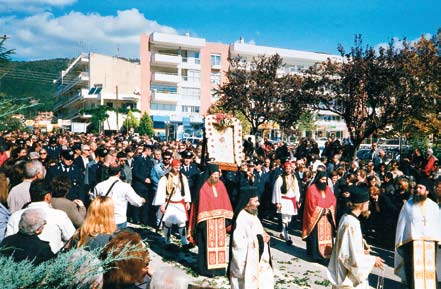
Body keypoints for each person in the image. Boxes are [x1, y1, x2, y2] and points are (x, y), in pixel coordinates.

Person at [327, 184, 384, 289]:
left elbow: (349, 246)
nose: (369, 204)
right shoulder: (351, 223)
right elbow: (348, 256)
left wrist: (362, 249)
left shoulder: (347, 217)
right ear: (362, 205)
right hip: (348, 276)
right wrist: (372, 260)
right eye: (367, 202)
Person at [6, 179, 75, 253]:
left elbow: (8, 243)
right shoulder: (59, 216)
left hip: (19, 261)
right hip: (52, 261)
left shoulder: (15, 216)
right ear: (48, 197)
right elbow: (72, 237)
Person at [394, 179, 441, 289]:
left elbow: (438, 225)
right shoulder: (408, 205)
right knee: (413, 274)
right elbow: (402, 225)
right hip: (412, 245)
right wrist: (402, 242)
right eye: (416, 188)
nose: (417, 190)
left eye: (421, 188)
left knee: (430, 272)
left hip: (430, 245)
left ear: (427, 191)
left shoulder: (434, 206)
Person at [188, 164, 234, 277]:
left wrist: (226, 219)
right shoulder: (203, 186)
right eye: (214, 175)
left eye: (218, 175)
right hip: (207, 222)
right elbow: (201, 204)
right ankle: (205, 269)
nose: (216, 177)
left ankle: (218, 270)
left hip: (219, 222)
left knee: (220, 246)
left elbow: (225, 201)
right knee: (206, 246)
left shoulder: (221, 185)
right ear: (209, 175)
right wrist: (204, 220)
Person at [228, 186, 274, 289]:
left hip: (258, 259)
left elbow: (258, 231)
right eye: (255, 201)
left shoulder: (252, 214)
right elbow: (238, 243)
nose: (258, 204)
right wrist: (259, 239)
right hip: (247, 263)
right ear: (247, 202)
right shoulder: (241, 218)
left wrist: (264, 234)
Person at [93, 164, 145, 229]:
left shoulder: (99, 186)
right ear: (119, 173)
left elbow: (94, 201)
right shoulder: (125, 186)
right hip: (119, 220)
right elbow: (136, 202)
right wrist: (142, 200)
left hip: (103, 219)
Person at [153, 158, 191, 248]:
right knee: (168, 223)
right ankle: (167, 240)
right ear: (172, 167)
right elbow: (160, 192)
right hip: (169, 203)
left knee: (182, 223)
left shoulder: (183, 177)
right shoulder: (165, 178)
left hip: (179, 203)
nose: (178, 169)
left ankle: (184, 241)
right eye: (176, 167)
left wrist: (187, 201)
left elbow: (186, 190)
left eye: (179, 167)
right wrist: (162, 204)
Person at [302, 171, 336, 262]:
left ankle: (326, 254)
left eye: (325, 179)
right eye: (322, 179)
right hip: (316, 218)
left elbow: (333, 200)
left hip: (327, 218)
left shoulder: (328, 189)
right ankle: (315, 255)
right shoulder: (311, 189)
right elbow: (310, 205)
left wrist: (329, 209)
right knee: (315, 237)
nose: (324, 181)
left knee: (327, 236)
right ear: (318, 179)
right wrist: (322, 210)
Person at [272, 161, 301, 244]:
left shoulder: (294, 177)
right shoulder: (280, 177)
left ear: (292, 169)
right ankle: (287, 236)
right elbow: (276, 190)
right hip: (283, 200)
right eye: (286, 169)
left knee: (289, 218)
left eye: (289, 168)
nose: (288, 170)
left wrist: (297, 200)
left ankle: (282, 232)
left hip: (291, 200)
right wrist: (278, 202)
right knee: (284, 218)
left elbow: (297, 189)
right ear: (284, 169)